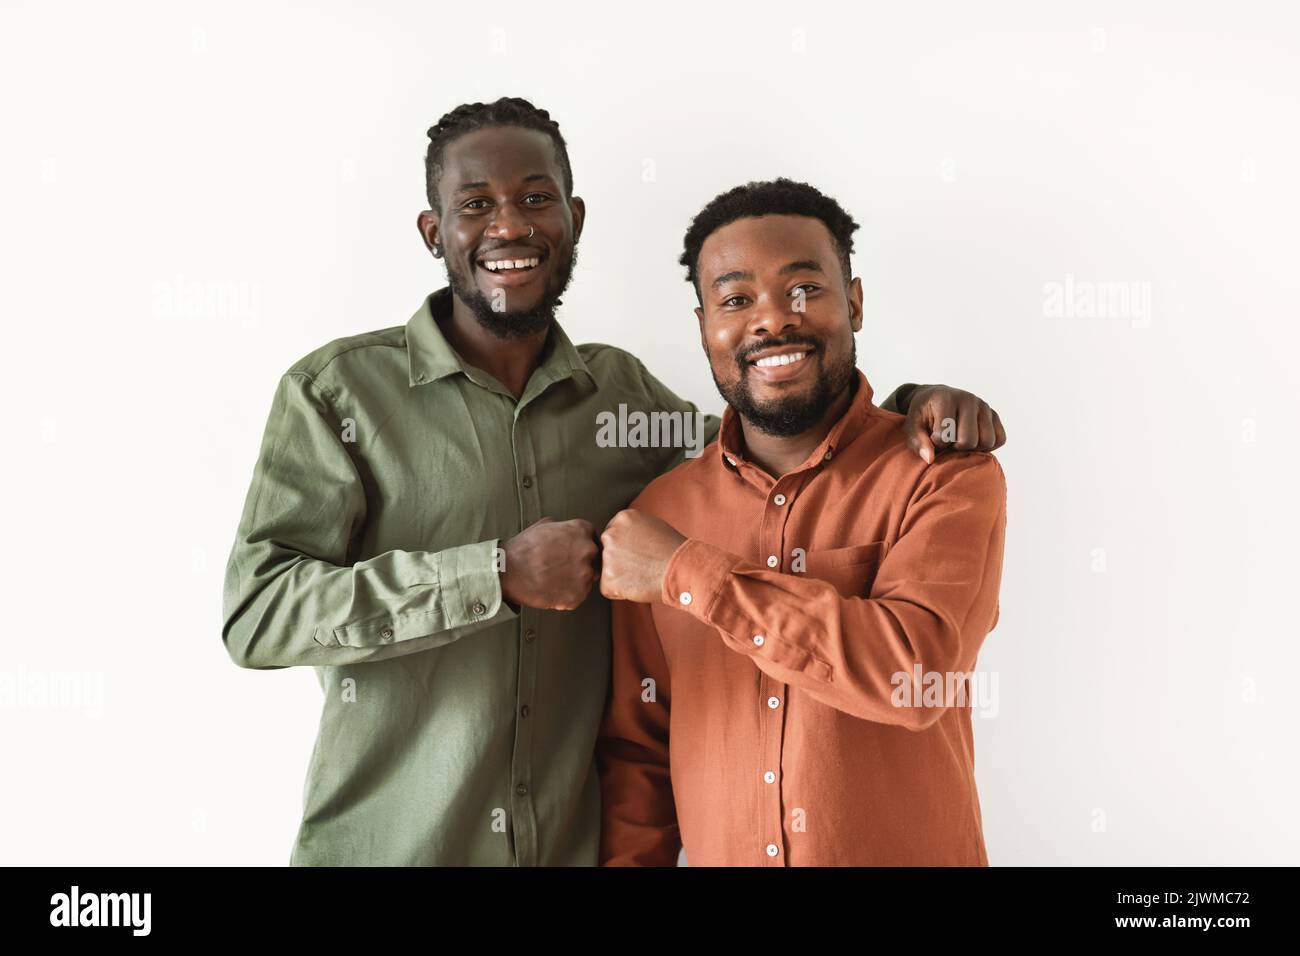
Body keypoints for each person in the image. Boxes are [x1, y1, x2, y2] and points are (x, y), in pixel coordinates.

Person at [222, 99, 1007, 866]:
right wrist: (491, 574)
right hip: (392, 847)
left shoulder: (624, 402)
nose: (509, 226)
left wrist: (914, 413)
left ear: (575, 220)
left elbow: (775, 433)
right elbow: (255, 617)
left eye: (536, 199)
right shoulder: (338, 395)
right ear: (434, 232)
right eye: (475, 205)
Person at [597, 178, 1007, 866]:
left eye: (803, 290)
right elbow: (639, 756)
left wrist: (687, 574)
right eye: (735, 300)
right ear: (703, 326)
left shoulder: (947, 474)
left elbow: (913, 675)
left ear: (853, 301)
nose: (771, 320)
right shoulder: (659, 513)